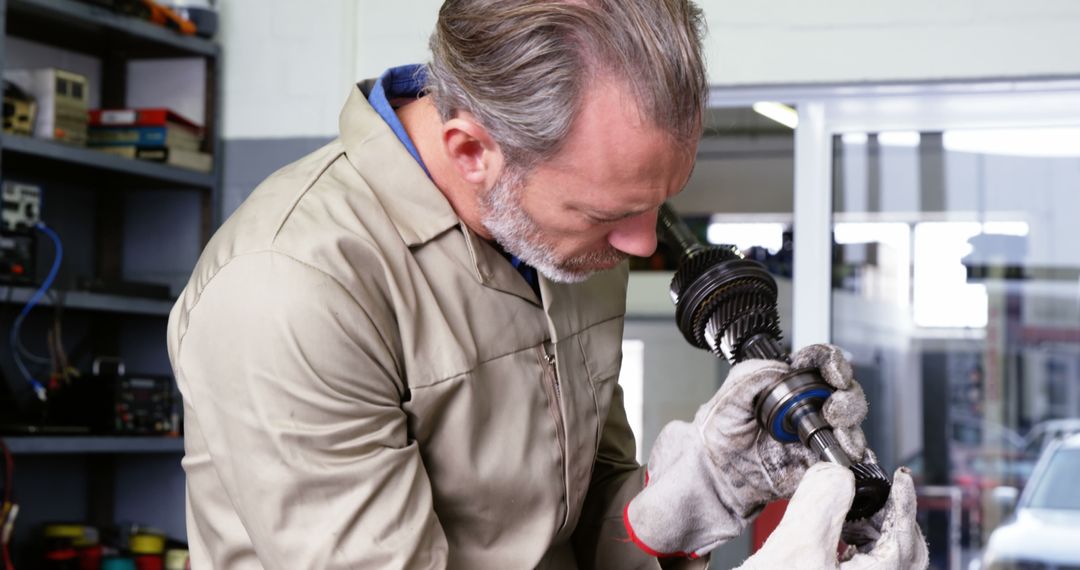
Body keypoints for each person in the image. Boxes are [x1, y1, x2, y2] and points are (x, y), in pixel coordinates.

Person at [167, 0, 926, 568]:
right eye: (612, 211)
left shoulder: (565, 242)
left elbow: (585, 519)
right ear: (473, 151)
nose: (642, 241)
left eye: (657, 201)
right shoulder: (292, 291)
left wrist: (707, 484)